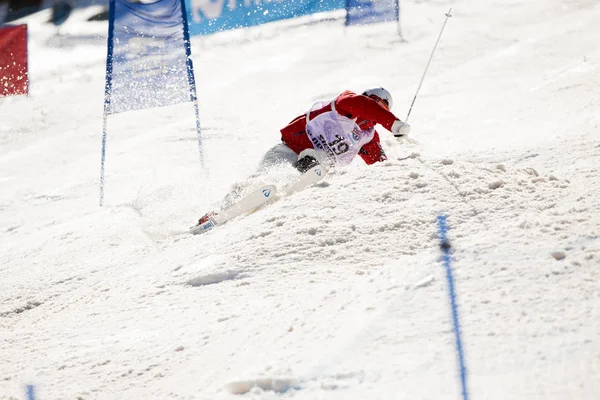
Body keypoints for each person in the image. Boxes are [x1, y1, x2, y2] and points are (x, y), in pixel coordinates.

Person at [197, 87, 411, 225]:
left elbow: (381, 167)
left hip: (317, 164)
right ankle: (217, 213)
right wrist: (393, 123)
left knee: (318, 159)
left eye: (380, 106)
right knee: (260, 179)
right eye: (372, 102)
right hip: (288, 149)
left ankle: (303, 176)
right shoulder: (347, 103)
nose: (372, 109)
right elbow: (361, 105)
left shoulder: (367, 138)